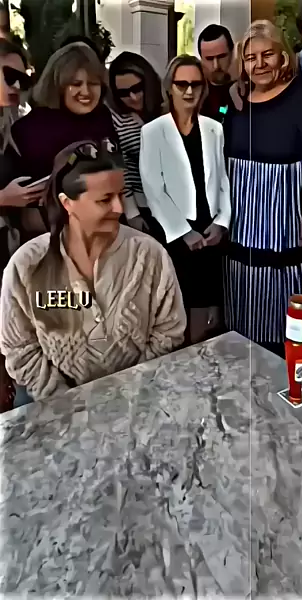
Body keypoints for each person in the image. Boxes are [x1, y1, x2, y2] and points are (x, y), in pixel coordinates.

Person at [0, 139, 186, 403]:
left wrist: (132, 393)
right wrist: (67, 402)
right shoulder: (26, 265)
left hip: (139, 399)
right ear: (67, 203)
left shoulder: (149, 254)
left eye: (121, 195)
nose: (119, 208)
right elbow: (20, 349)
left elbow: (169, 331)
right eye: (105, 200)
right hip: (56, 408)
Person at [223, 20, 302, 357]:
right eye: (250, 58)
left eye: (267, 54)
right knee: (243, 339)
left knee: (293, 338)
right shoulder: (236, 105)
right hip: (240, 240)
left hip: (291, 240)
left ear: (283, 55)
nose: (259, 64)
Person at [140, 55, 231, 345]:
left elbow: (223, 179)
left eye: (195, 84)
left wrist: (222, 222)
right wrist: (183, 231)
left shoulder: (214, 128)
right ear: (170, 88)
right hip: (175, 234)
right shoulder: (153, 131)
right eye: (182, 84)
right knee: (176, 312)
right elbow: (153, 188)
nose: (189, 91)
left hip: (210, 231)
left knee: (209, 312)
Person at [9, 43, 116, 242]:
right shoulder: (29, 129)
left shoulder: (103, 117)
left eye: (93, 83)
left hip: (104, 230)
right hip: (48, 237)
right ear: (57, 85)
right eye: (76, 84)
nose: (86, 91)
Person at [0, 39, 40, 411]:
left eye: (22, 79)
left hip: (11, 251)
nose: (16, 86)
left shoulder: (11, 125)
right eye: (9, 76)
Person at [108, 51, 165, 241]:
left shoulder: (166, 107)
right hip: (143, 206)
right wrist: (132, 213)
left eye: (137, 88)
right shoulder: (117, 120)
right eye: (123, 93)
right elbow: (121, 167)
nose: (133, 97)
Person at [198, 24, 236, 122]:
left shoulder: (247, 89)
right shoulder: (196, 94)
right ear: (201, 59)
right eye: (209, 59)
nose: (216, 66)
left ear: (232, 53)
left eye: (221, 57)